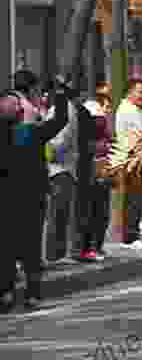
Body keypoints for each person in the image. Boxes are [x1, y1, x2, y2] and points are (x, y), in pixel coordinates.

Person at [0, 82, 68, 311]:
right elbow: (60, 121)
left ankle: (6, 293)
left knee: (6, 247)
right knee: (31, 246)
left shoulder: (27, 132)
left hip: (7, 201)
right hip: (32, 200)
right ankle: (32, 293)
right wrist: (59, 95)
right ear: (20, 113)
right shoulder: (31, 132)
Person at [44, 78, 80, 261]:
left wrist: (40, 148)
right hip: (59, 169)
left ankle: (55, 255)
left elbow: (59, 143)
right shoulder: (61, 109)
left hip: (60, 170)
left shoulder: (64, 110)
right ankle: (57, 253)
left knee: (57, 215)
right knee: (57, 214)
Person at [79, 82, 114, 260]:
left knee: (102, 211)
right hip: (92, 170)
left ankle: (97, 246)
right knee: (93, 210)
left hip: (103, 168)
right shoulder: (89, 137)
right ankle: (90, 247)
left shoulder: (103, 133)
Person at [115, 79, 142, 249]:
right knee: (133, 198)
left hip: (139, 157)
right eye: (139, 92)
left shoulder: (136, 109)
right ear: (130, 92)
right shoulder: (126, 109)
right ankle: (129, 237)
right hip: (132, 157)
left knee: (136, 197)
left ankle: (133, 234)